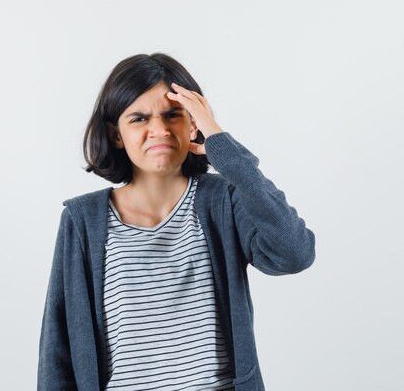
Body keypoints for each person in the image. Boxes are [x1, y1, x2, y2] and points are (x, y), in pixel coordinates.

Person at [37, 53, 316, 391]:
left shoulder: (223, 200)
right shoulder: (83, 222)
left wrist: (224, 149)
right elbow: (58, 350)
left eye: (173, 115)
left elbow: (294, 252)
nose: (160, 130)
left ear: (194, 123)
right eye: (139, 118)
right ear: (116, 135)